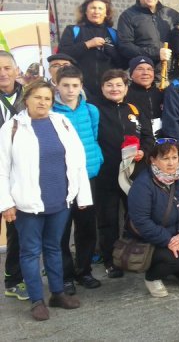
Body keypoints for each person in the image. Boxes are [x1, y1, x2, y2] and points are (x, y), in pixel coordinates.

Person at [0, 79, 92, 321]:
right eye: (38, 97)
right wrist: (5, 203)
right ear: (26, 99)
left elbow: (78, 161)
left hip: (59, 200)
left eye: (47, 98)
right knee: (30, 252)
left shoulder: (62, 122)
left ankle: (58, 293)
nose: (43, 102)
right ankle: (36, 300)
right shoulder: (11, 129)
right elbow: (1, 169)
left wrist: (82, 195)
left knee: (53, 247)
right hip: (26, 203)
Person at [127, 139, 179, 298]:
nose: (171, 163)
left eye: (174, 157)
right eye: (165, 158)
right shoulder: (143, 184)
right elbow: (141, 221)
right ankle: (152, 277)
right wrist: (169, 240)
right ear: (153, 160)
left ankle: (169, 266)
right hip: (152, 240)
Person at [94, 69, 154, 278]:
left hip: (134, 174)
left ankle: (134, 254)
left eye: (119, 85)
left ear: (126, 88)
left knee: (135, 216)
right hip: (106, 174)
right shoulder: (95, 110)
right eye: (109, 85)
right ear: (102, 88)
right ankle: (111, 261)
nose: (114, 89)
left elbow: (148, 137)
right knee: (108, 219)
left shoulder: (134, 109)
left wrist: (143, 152)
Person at [53, 66, 104, 294]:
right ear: (57, 85)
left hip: (87, 177)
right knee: (62, 230)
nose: (70, 90)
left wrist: (96, 162)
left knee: (86, 228)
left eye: (75, 85)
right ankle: (65, 276)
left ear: (81, 86)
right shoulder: (52, 112)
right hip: (60, 180)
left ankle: (84, 271)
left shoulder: (91, 110)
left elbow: (93, 137)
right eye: (65, 85)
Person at [117, 0, 179, 80]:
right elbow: (125, 47)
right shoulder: (127, 16)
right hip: (145, 79)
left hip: (172, 77)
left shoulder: (171, 14)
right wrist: (156, 53)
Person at [57, 0, 122, 99]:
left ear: (106, 13)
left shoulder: (114, 34)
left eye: (100, 8)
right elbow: (62, 53)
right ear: (85, 12)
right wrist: (88, 44)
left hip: (108, 90)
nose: (96, 11)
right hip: (79, 90)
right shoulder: (73, 30)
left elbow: (123, 64)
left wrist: (111, 51)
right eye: (92, 8)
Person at [0, 51, 27, 301]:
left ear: (16, 69)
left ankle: (14, 279)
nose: (3, 73)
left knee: (16, 230)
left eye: (7, 67)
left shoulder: (29, 95)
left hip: (18, 173)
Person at [125, 56, 164, 138]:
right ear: (131, 74)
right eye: (140, 69)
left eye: (149, 69)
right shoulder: (125, 95)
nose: (145, 72)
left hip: (162, 142)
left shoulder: (162, 94)